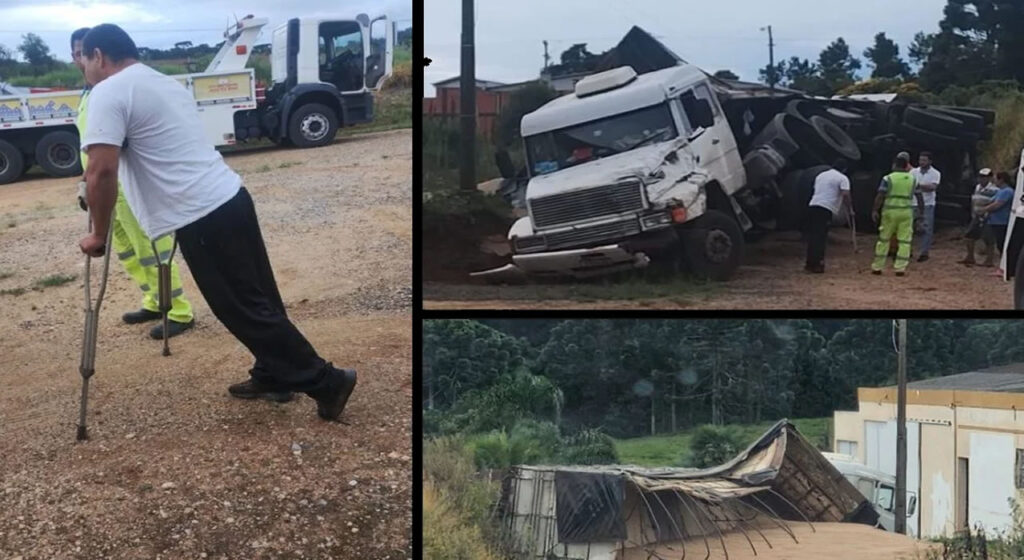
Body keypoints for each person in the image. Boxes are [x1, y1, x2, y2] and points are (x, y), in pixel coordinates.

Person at [77, 24, 356, 420]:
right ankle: (274, 373)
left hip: (202, 214)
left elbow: (101, 172)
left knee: (240, 307)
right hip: (230, 196)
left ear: (99, 56)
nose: (83, 68)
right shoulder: (163, 83)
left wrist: (98, 233)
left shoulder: (108, 91)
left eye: (84, 59)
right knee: (261, 298)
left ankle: (327, 381)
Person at [71, 27, 195, 340]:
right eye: (74, 54)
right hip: (103, 187)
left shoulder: (117, 90)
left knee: (151, 249)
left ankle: (178, 309)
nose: (79, 61)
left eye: (83, 54)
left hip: (126, 183)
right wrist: (86, 181)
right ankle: (154, 299)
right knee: (128, 251)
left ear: (96, 55)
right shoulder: (89, 94)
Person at [872, 153, 924, 276]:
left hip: (890, 212)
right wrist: (921, 212)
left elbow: (880, 195)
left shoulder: (888, 178)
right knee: (905, 241)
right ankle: (900, 268)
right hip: (906, 212)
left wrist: (875, 210)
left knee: (884, 239)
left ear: (894, 165)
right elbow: (920, 197)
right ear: (907, 166)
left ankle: (877, 267)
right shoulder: (912, 180)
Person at [805, 159, 851, 273]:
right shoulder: (842, 178)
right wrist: (850, 209)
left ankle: (809, 263)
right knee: (821, 236)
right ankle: (817, 264)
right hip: (825, 208)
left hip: (813, 204)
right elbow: (846, 194)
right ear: (844, 169)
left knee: (813, 235)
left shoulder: (821, 175)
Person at [960, 168, 1000, 267]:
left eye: (984, 177)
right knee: (969, 236)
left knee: (988, 239)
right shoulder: (977, 187)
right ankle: (970, 257)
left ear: (990, 178)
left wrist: (986, 212)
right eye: (981, 177)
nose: (982, 179)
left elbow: (995, 203)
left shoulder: (995, 189)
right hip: (976, 215)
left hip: (987, 216)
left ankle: (989, 260)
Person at [981, 171, 1015, 273]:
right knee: (999, 244)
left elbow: (997, 204)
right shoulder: (1000, 191)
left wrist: (983, 209)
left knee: (1003, 244)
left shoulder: (1007, 191)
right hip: (995, 221)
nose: (993, 180)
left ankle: (1006, 267)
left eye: (995, 178)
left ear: (1001, 179)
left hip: (1002, 221)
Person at [910, 151, 941, 262]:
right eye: (920, 160)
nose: (921, 162)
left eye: (924, 160)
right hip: (913, 203)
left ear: (930, 161)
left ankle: (924, 252)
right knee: (910, 228)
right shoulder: (913, 172)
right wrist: (922, 187)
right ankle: (908, 251)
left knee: (926, 228)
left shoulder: (935, 173)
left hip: (928, 203)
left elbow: (932, 187)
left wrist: (917, 186)